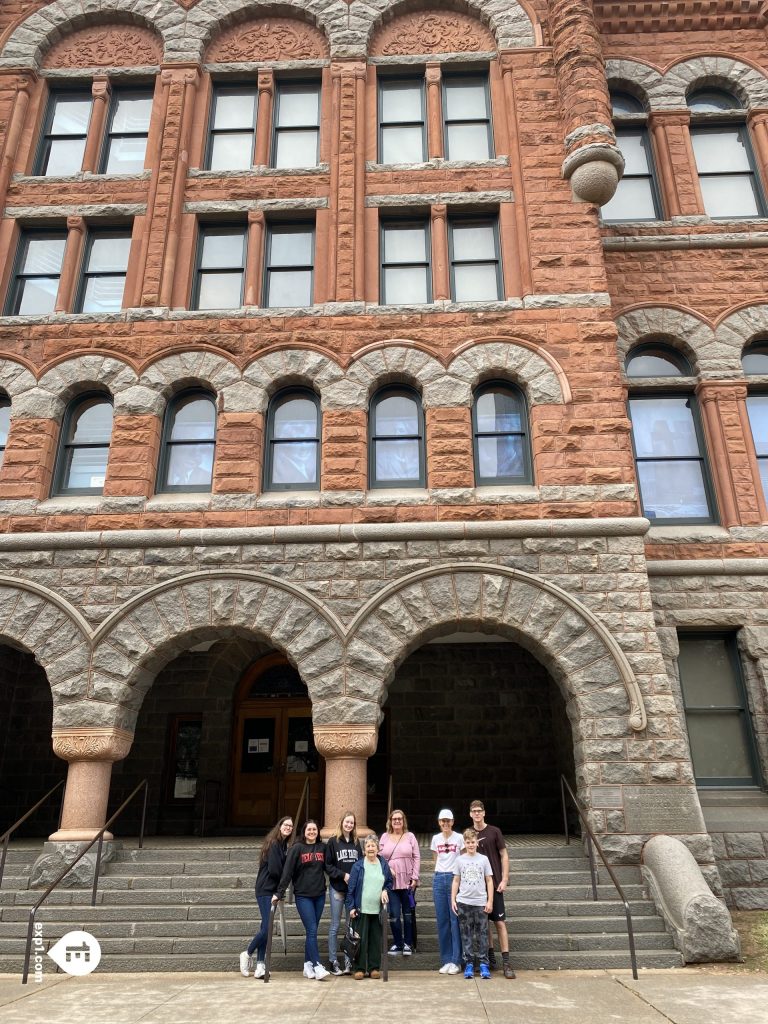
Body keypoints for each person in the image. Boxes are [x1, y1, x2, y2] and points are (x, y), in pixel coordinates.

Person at [273, 819, 330, 980]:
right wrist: (279, 892)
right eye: (309, 829)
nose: (312, 832)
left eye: (314, 829)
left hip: (319, 895)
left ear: (318, 832)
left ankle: (307, 965)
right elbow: (287, 872)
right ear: (304, 832)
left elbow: (329, 868)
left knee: (311, 931)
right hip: (303, 896)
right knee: (312, 929)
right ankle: (317, 965)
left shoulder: (323, 848)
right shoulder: (297, 848)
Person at [239, 815, 293, 978]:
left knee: (265, 927)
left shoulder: (282, 845)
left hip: (272, 890)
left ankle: (260, 965)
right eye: (285, 825)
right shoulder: (275, 844)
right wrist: (284, 881)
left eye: (290, 827)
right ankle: (247, 953)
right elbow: (275, 870)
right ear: (279, 826)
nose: (288, 828)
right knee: (268, 928)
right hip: (265, 890)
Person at [469, 799, 515, 979]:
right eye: (474, 811)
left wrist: (504, 879)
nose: (477, 813)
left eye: (479, 810)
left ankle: (506, 962)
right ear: (470, 814)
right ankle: (489, 957)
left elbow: (504, 855)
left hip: (494, 885)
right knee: (483, 924)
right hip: (477, 888)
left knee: (499, 922)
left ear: (484, 813)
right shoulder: (469, 834)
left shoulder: (494, 831)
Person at [345, 834, 393, 979]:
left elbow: (389, 883)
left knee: (374, 940)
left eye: (373, 846)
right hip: (361, 909)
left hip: (377, 910)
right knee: (361, 941)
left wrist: (385, 890)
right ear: (364, 850)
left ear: (378, 848)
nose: (371, 848)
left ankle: (373, 968)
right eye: (368, 846)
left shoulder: (383, 864)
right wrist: (351, 907)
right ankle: (359, 968)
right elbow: (351, 890)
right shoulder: (358, 866)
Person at [451, 828, 494, 980]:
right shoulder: (459, 860)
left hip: (480, 902)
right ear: (464, 843)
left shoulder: (483, 859)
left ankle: (483, 963)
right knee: (466, 934)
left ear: (477, 842)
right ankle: (469, 962)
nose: (470, 845)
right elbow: (456, 880)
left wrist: (489, 900)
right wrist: (453, 899)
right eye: (468, 842)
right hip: (464, 902)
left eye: (473, 842)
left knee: (482, 934)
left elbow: (489, 880)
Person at [325, 810, 363, 975]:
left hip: (352, 891)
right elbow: (328, 865)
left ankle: (349, 961)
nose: (349, 825)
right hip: (337, 888)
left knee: (350, 926)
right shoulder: (333, 842)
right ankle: (333, 961)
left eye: (352, 823)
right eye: (347, 822)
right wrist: (343, 875)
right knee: (335, 925)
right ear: (341, 822)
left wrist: (355, 879)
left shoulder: (356, 842)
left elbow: (361, 863)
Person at [379, 808, 420, 956]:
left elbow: (416, 857)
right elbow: (379, 856)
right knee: (394, 915)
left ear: (403, 821)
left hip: (408, 881)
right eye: (394, 819)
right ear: (390, 821)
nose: (397, 821)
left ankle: (408, 943)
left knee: (408, 914)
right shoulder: (384, 837)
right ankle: (398, 943)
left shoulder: (410, 836)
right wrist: (388, 869)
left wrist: (415, 877)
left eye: (399, 819)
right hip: (391, 882)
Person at [430, 808, 463, 975]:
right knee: (442, 920)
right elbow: (436, 858)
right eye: (442, 821)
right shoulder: (436, 839)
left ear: (452, 821)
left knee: (454, 920)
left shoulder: (460, 838)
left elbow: (463, 857)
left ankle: (457, 960)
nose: (445, 823)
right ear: (439, 822)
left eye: (448, 820)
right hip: (439, 878)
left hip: (454, 878)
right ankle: (446, 959)